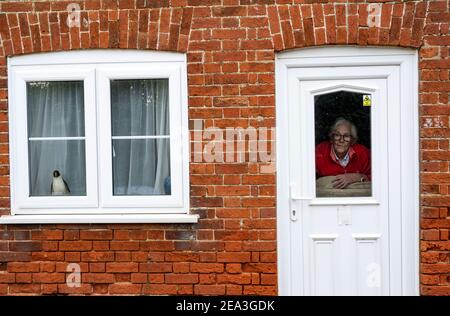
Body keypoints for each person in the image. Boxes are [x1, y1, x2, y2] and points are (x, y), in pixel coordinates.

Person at [315, 118, 371, 189]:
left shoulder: (363, 153)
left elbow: (378, 178)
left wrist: (356, 177)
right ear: (332, 138)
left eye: (346, 136)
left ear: (352, 140)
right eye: (337, 135)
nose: (341, 140)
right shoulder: (320, 152)